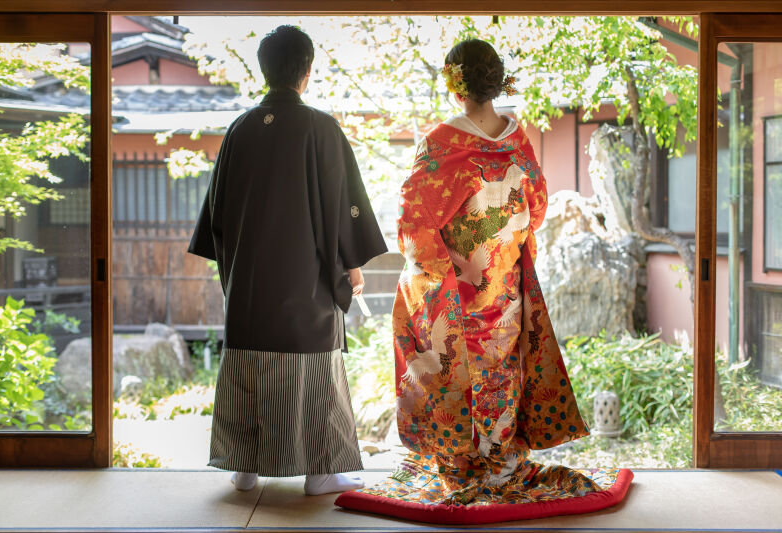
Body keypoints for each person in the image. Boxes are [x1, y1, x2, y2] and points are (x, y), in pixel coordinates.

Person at [336, 39, 631, 521]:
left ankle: (461, 461)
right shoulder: (518, 139)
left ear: (455, 86)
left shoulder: (440, 144)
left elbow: (414, 222)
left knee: (452, 364)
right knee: (501, 368)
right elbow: (535, 210)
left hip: (456, 289)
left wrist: (434, 278)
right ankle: (501, 460)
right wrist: (499, 245)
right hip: (505, 283)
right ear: (496, 82)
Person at [188, 25, 387, 496]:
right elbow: (343, 203)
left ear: (265, 71)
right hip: (306, 283)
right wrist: (352, 264)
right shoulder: (320, 127)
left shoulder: (239, 129)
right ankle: (320, 473)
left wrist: (236, 270)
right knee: (316, 369)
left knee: (249, 366)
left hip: (250, 289)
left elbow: (216, 215)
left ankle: (244, 467)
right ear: (307, 71)